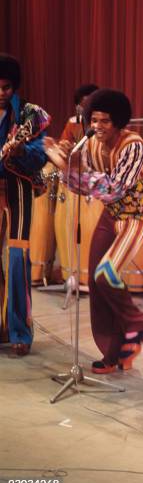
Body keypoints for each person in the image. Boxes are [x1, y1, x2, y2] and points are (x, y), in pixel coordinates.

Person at [44, 89, 143, 373]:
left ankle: (136, 322)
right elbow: (78, 186)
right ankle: (114, 352)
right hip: (112, 215)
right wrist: (66, 163)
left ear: (118, 122)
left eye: (104, 121)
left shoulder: (134, 145)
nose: (97, 126)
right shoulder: (91, 144)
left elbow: (114, 188)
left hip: (137, 216)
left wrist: (79, 171)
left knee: (105, 273)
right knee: (95, 283)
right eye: (93, 120)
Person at [0, 54, 49, 357]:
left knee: (18, 258)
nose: (0, 92)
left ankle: (20, 331)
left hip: (18, 190)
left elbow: (40, 156)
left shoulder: (30, 114)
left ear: (14, 87)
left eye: (6, 87)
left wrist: (17, 151)